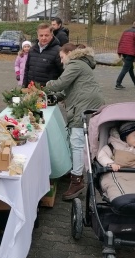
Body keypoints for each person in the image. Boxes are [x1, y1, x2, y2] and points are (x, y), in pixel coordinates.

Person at [45, 43, 105, 201]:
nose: (61, 61)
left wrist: (45, 86)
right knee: (78, 140)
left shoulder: (75, 63)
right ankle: (75, 171)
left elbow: (60, 84)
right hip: (88, 102)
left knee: (77, 140)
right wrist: (56, 97)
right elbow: (67, 90)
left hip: (84, 105)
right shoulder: (81, 64)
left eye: (62, 57)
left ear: (70, 53)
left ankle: (77, 180)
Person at [22, 23, 63, 88]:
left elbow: (64, 73)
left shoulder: (58, 51)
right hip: (31, 91)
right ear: (37, 36)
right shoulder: (32, 50)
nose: (43, 38)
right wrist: (24, 86)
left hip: (48, 93)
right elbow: (27, 70)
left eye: (46, 35)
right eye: (41, 35)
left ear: (52, 35)